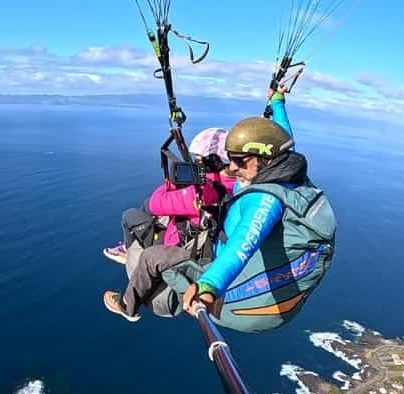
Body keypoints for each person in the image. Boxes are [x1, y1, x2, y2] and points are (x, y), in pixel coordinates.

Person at [103, 86, 335, 330]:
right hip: (253, 274)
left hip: (217, 267)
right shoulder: (289, 168)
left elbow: (241, 246)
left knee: (153, 256)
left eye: (239, 161)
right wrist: (277, 101)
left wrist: (209, 286)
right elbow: (284, 136)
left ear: (264, 160)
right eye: (229, 159)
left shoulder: (265, 201)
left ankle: (128, 306)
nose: (232, 168)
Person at [102, 128, 236, 265]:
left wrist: (174, 183)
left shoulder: (202, 193)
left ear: (212, 162)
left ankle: (128, 251)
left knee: (129, 215)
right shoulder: (235, 186)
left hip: (177, 247)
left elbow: (154, 204)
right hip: (202, 237)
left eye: (198, 161)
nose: (196, 165)